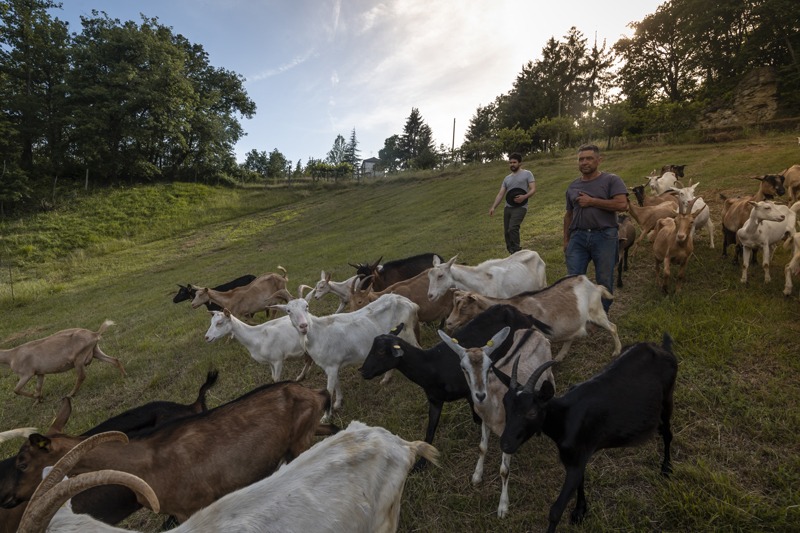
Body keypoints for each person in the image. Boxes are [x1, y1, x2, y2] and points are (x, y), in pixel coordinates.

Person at [563, 144, 628, 313]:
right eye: (581, 159)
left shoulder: (611, 180)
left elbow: (622, 205)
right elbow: (568, 215)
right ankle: (577, 315)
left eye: (589, 158)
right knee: (573, 279)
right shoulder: (572, 186)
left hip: (605, 236)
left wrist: (592, 201)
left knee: (604, 279)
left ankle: (601, 315)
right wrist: (566, 239)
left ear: (599, 160)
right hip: (578, 237)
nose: (584, 162)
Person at [489, 153, 536, 254]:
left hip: (521, 207)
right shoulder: (507, 178)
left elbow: (533, 189)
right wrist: (493, 207)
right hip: (508, 207)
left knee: (513, 228)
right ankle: (512, 252)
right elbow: (501, 194)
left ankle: (517, 250)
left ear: (520, 163)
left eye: (514, 162)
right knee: (507, 232)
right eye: (510, 163)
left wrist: (524, 197)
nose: (512, 164)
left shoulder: (527, 174)